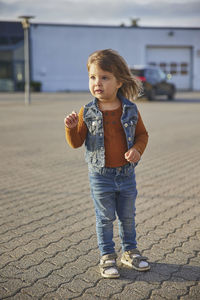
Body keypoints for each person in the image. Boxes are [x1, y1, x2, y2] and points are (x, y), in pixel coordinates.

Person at [64, 49, 150, 279]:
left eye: (104, 77)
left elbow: (142, 135)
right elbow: (76, 143)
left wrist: (136, 150)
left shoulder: (130, 109)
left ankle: (130, 252)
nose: (97, 83)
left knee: (128, 215)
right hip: (100, 176)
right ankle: (107, 255)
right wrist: (71, 128)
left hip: (126, 174)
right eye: (93, 77)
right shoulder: (87, 111)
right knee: (105, 218)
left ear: (119, 81)